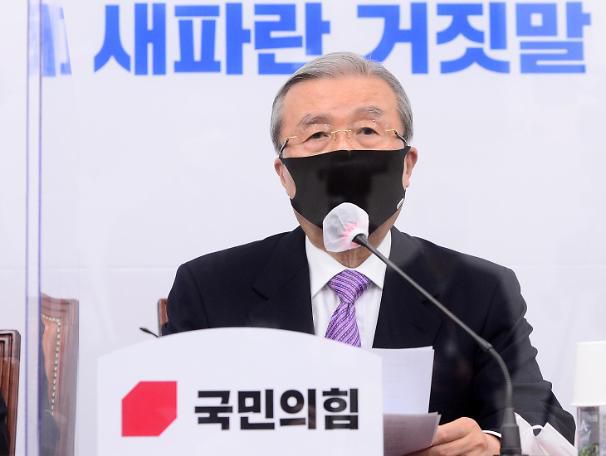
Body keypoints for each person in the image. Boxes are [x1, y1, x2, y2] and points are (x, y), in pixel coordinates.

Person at [163, 52, 575, 455]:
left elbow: (540, 415)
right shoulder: (210, 290)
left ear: (407, 166)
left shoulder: (478, 290)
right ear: (284, 174)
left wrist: (494, 443)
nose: (344, 152)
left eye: (366, 130)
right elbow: (168, 427)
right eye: (317, 135)